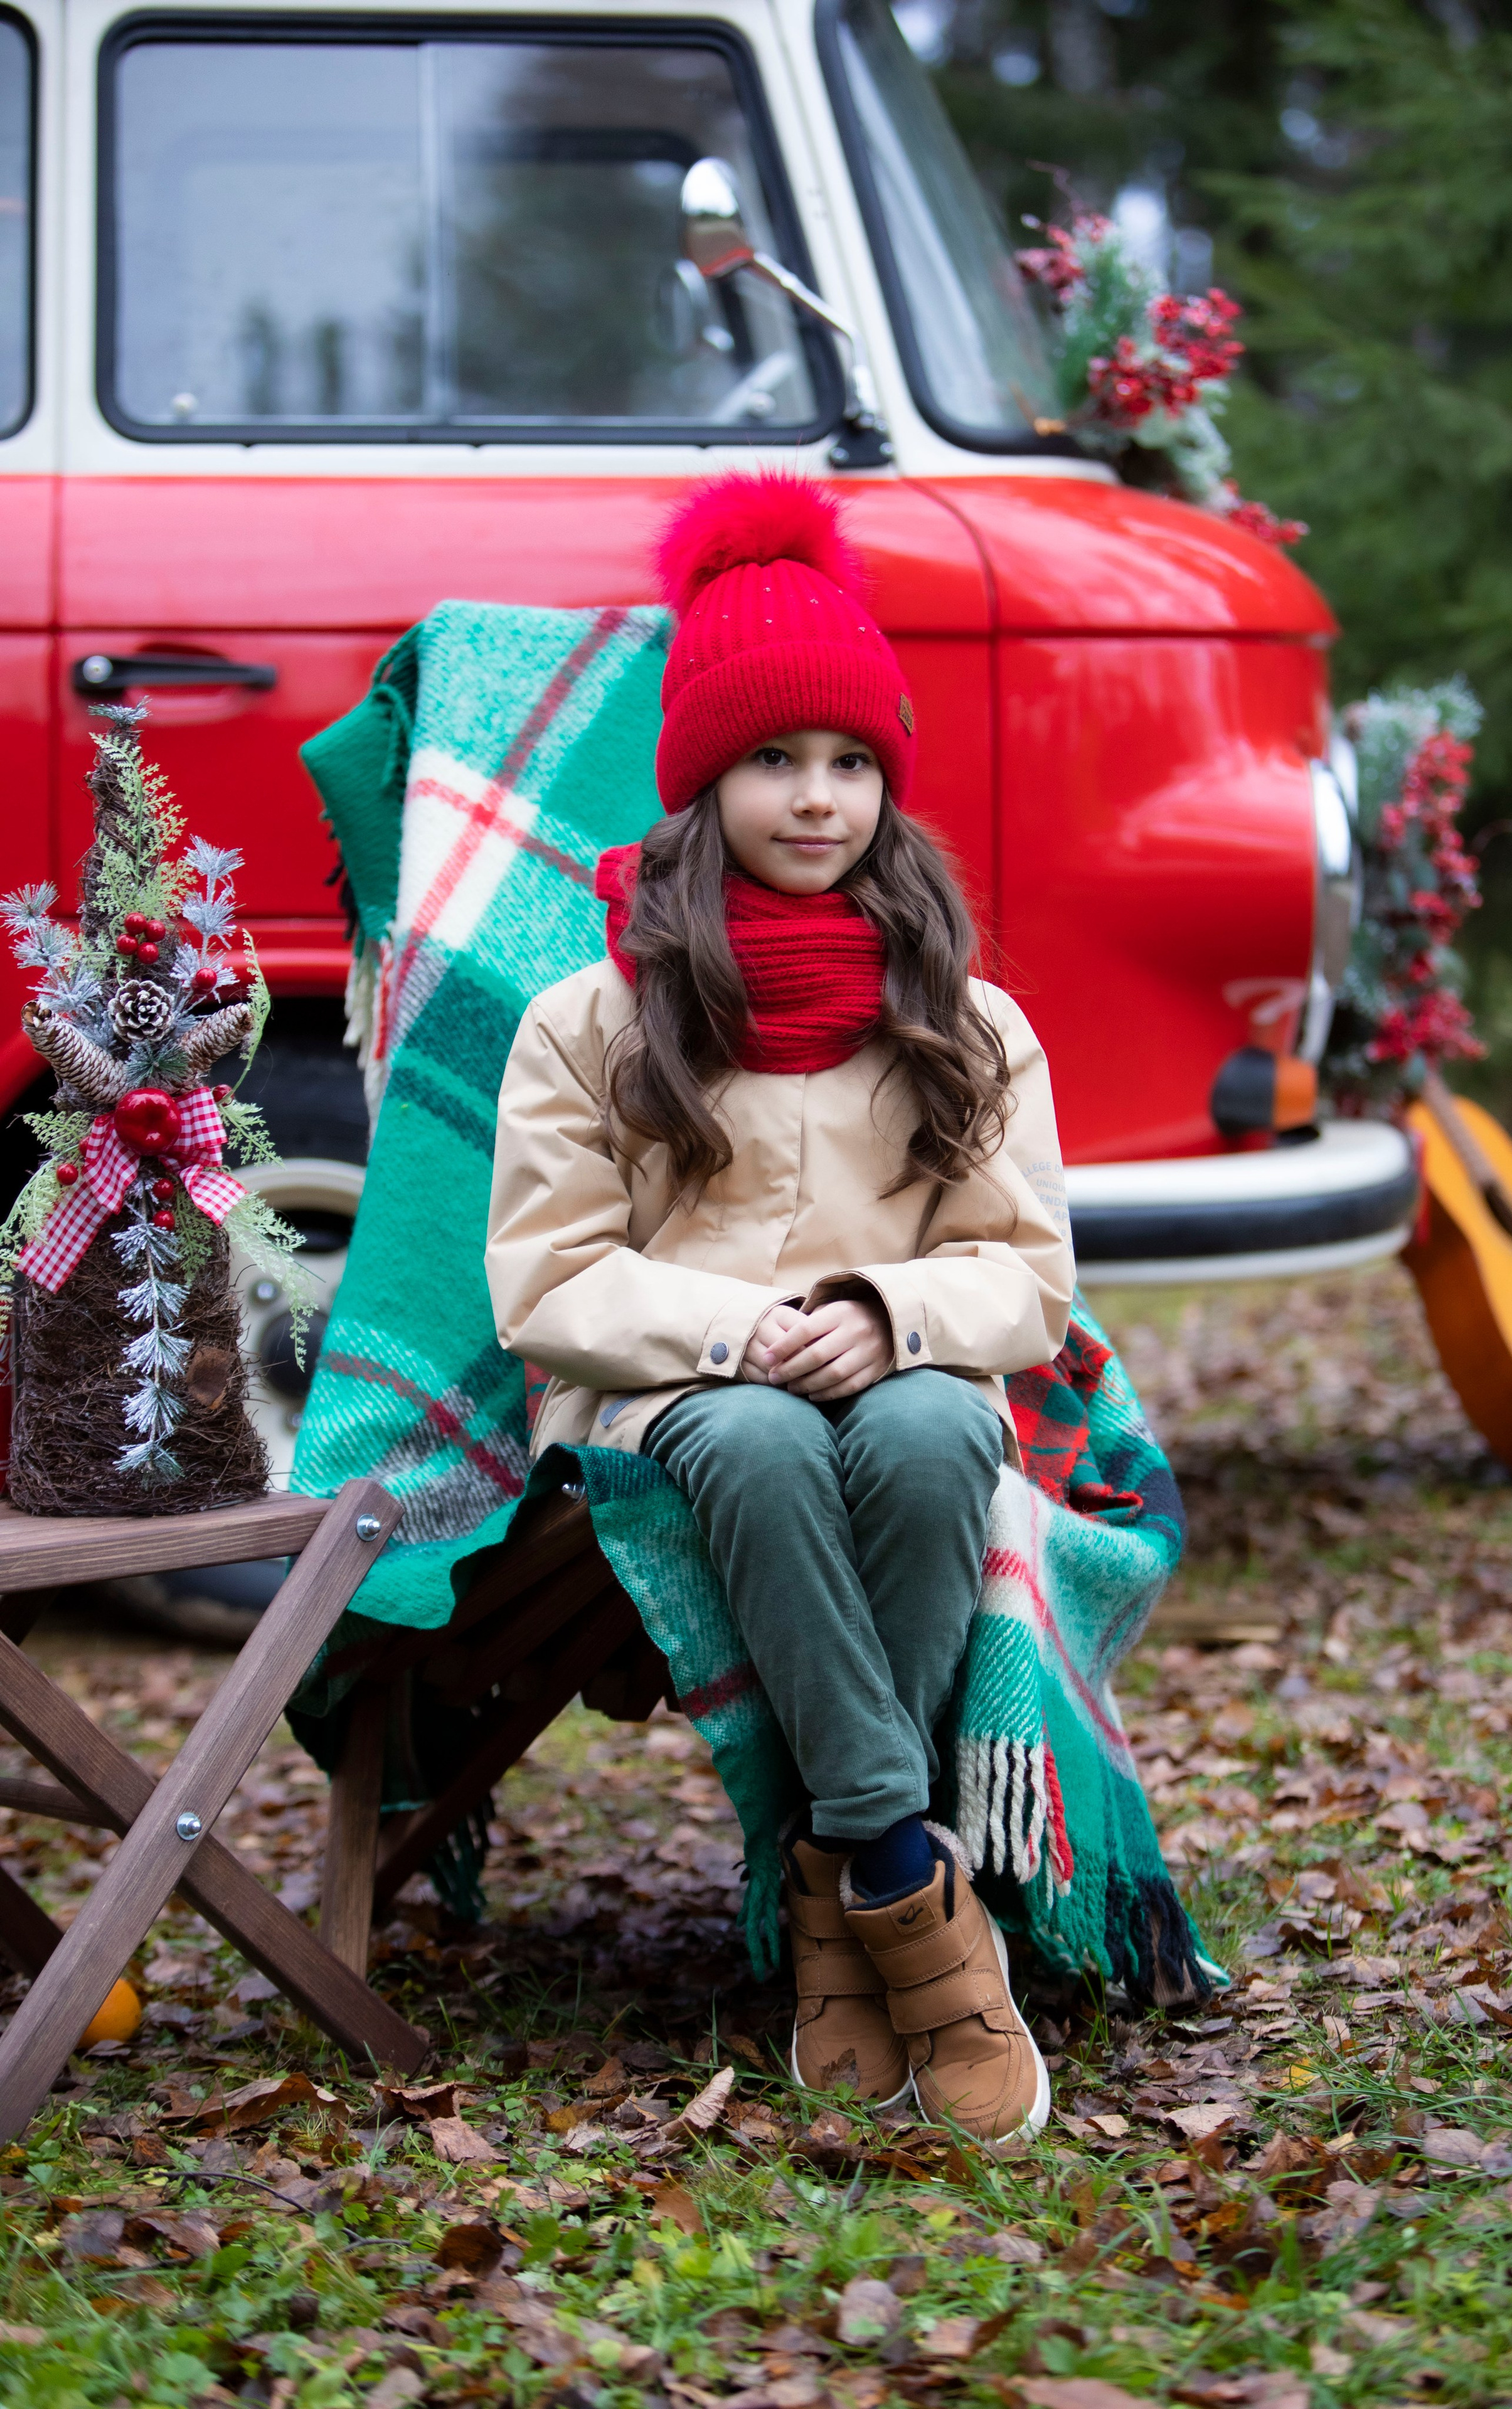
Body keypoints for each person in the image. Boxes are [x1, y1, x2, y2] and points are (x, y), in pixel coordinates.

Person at [486, 474, 1074, 2142]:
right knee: (750, 1437)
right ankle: (905, 1876)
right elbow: (548, 1279)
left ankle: (833, 1901)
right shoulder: (592, 1018)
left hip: (900, 1371)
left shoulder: (967, 1021)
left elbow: (1024, 1274)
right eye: (773, 760)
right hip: (669, 1397)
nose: (816, 799)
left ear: (887, 784)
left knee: (940, 1421)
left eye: (850, 763)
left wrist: (890, 1314)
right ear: (703, 779)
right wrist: (740, 1336)